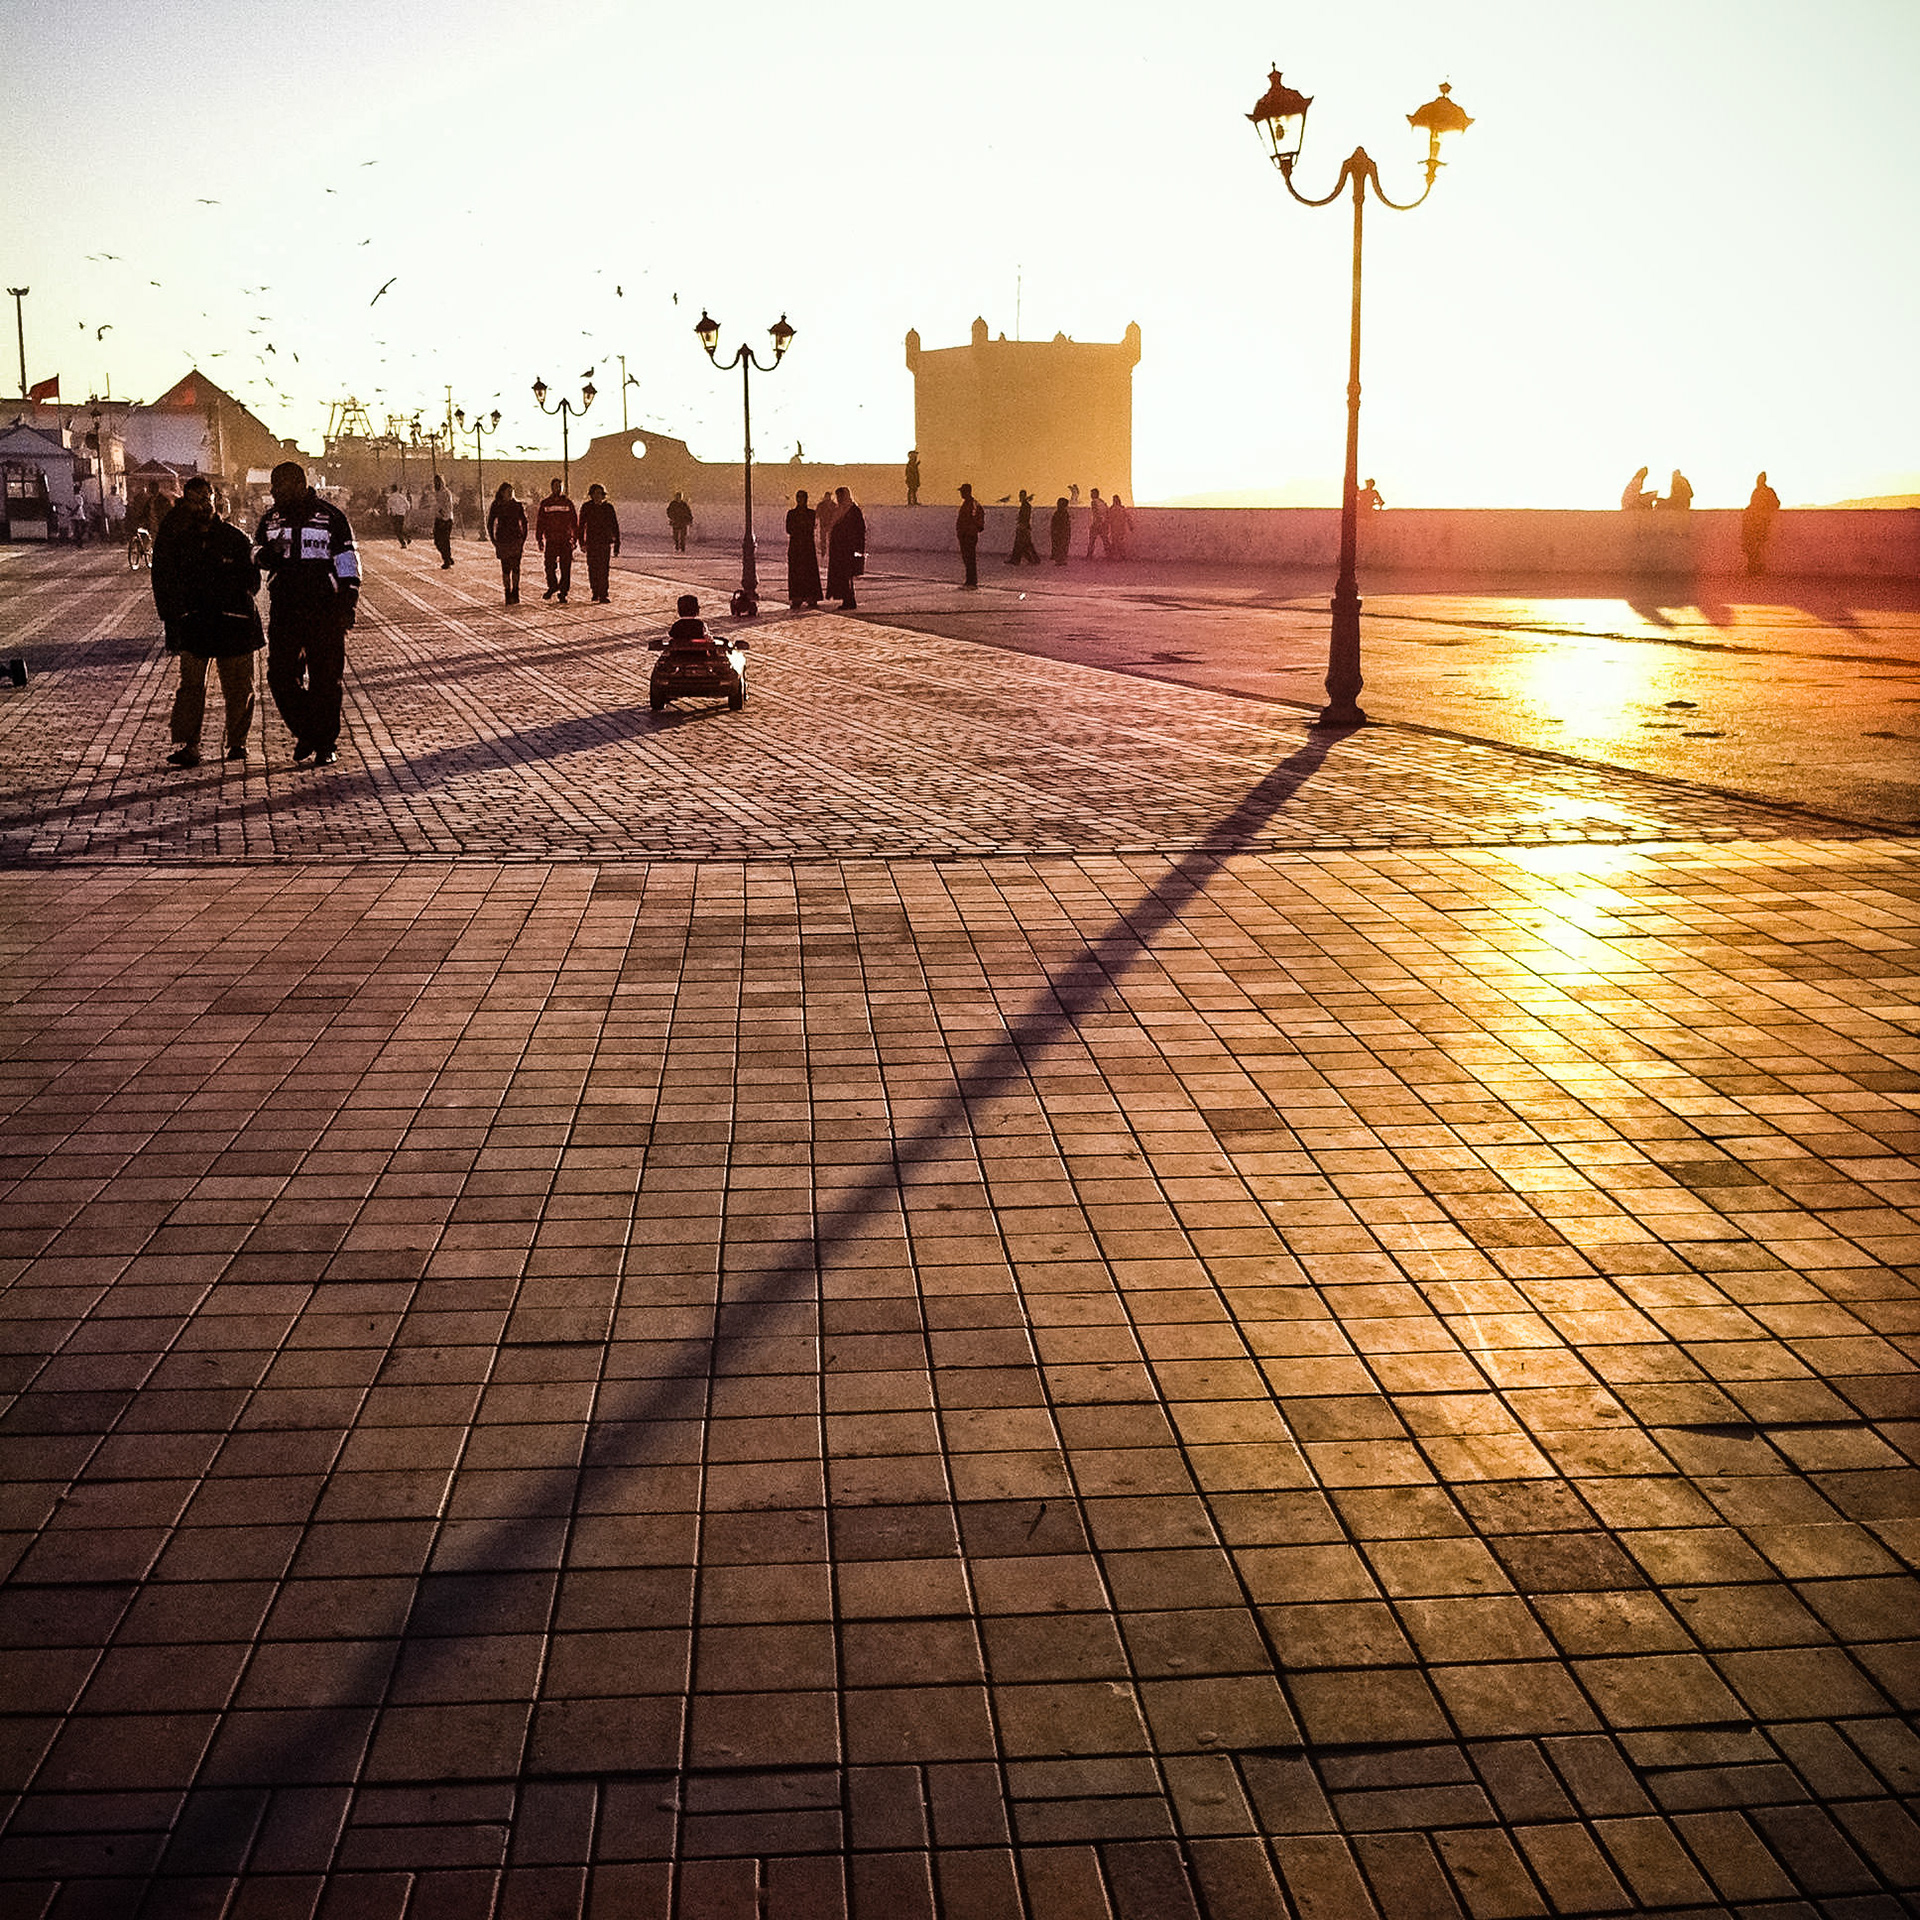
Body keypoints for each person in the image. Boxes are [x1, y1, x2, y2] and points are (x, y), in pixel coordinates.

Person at [152, 473, 263, 767]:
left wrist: (229, 596)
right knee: (191, 687)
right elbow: (165, 580)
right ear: (185, 504)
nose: (202, 506)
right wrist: (173, 618)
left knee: (239, 687)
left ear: (216, 500)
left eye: (206, 499)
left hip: (233, 623)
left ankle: (238, 743)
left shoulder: (236, 539)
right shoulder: (178, 540)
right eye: (194, 500)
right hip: (194, 623)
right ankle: (190, 745)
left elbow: (253, 582)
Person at [254, 460, 358, 767]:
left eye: (280, 486)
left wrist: (348, 603)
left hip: (325, 610)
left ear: (300, 485)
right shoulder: (271, 519)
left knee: (326, 679)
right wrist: (267, 554)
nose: (274, 492)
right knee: (280, 676)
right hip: (285, 609)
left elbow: (348, 561)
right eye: (273, 486)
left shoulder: (331, 517)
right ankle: (308, 731)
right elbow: (255, 552)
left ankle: (325, 744)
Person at [535, 477, 578, 603]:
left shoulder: (568, 503)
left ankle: (563, 592)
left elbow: (574, 521)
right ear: (551, 488)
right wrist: (539, 538)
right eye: (555, 486)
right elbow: (540, 522)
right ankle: (553, 586)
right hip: (551, 540)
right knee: (549, 566)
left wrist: (575, 538)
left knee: (565, 568)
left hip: (565, 540)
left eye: (560, 486)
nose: (558, 489)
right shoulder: (545, 504)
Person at [486, 481, 528, 605]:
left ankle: (515, 591)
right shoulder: (497, 505)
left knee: (516, 568)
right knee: (505, 568)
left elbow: (524, 522)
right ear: (502, 493)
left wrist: (523, 538)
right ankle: (507, 592)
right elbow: (490, 522)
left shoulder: (517, 505)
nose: (510, 494)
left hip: (515, 539)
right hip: (503, 540)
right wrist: (493, 539)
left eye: (511, 491)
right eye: (507, 491)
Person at [579, 483, 621, 602]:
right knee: (593, 568)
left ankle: (603, 594)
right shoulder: (587, 507)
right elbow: (581, 525)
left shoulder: (608, 508)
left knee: (604, 569)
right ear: (591, 495)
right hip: (591, 542)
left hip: (604, 542)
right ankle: (595, 591)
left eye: (600, 493)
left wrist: (617, 544)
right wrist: (581, 542)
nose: (597, 496)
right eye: (595, 493)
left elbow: (615, 526)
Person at [826, 486, 865, 610]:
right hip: (838, 548)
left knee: (846, 575)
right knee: (841, 575)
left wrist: (858, 548)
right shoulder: (839, 510)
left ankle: (849, 600)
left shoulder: (853, 511)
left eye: (840, 496)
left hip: (848, 549)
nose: (838, 499)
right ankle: (846, 599)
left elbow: (860, 530)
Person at [786, 490, 822, 608]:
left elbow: (809, 527)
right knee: (796, 573)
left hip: (807, 547)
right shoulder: (791, 513)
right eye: (798, 497)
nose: (800, 499)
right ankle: (797, 598)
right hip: (796, 547)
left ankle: (811, 597)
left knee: (809, 572)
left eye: (802, 497)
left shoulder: (811, 513)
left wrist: (800, 527)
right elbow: (789, 529)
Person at [1742, 471, 1781, 575]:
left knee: (1758, 546)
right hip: (1753, 523)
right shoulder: (1756, 491)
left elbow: (1776, 504)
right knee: (1751, 546)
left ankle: (1756, 568)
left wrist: (1765, 510)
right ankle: (1753, 567)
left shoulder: (1768, 491)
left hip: (1761, 523)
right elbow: (1752, 505)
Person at [955, 483, 986, 588]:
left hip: (969, 536)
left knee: (970, 559)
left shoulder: (972, 504)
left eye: (962, 492)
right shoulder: (967, 503)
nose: (961, 494)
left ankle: (971, 582)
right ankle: (969, 581)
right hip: (964, 535)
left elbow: (976, 518)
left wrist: (972, 530)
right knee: (967, 559)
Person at [1007, 489, 1041, 565]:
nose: (1020, 497)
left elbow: (1025, 517)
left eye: (1021, 495)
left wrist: (1022, 525)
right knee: (1024, 545)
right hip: (1024, 527)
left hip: (1023, 527)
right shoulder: (1025, 505)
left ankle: (1018, 560)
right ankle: (1032, 560)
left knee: (1023, 544)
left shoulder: (1026, 506)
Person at [428, 474, 456, 567]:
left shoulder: (446, 493)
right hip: (438, 518)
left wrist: (444, 517)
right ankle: (448, 557)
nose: (436, 484)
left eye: (438, 482)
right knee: (437, 541)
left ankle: (446, 560)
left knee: (444, 540)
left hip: (446, 519)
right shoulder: (436, 493)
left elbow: (449, 506)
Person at [815, 484, 839, 561]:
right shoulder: (821, 505)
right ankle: (824, 553)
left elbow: (837, 514)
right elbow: (817, 514)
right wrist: (815, 523)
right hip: (823, 524)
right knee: (823, 540)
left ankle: (830, 553)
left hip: (831, 524)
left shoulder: (833, 505)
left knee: (831, 539)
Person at [384, 480, 411, 545]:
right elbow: (408, 505)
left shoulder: (391, 498)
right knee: (400, 528)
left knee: (397, 530)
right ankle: (407, 537)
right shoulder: (402, 496)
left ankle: (403, 543)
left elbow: (389, 506)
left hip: (395, 515)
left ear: (392, 490)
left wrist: (389, 513)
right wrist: (405, 510)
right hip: (402, 514)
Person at [1105, 495, 1131, 560]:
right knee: (1119, 542)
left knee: (1115, 542)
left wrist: (1107, 526)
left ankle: (1116, 555)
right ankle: (1121, 555)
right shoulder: (1122, 509)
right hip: (1121, 528)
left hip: (1115, 528)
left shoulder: (1112, 509)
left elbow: (1108, 518)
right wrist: (1130, 526)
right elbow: (1128, 518)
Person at [1085, 487, 1109, 559]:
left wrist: (1097, 522)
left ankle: (1089, 555)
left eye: (1092, 493)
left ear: (1095, 494)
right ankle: (1109, 554)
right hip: (1103, 523)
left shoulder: (1094, 502)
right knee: (1105, 540)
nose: (1091, 495)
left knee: (1092, 539)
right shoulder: (1102, 501)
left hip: (1097, 523)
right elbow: (1107, 511)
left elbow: (1095, 512)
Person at [1050, 497, 1072, 566]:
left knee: (1060, 546)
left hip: (1060, 532)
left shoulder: (1059, 513)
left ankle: (1060, 560)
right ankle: (1060, 560)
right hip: (1061, 533)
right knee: (1061, 546)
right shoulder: (1062, 513)